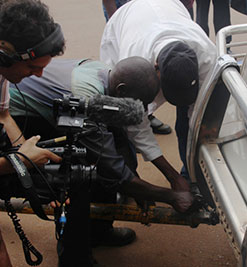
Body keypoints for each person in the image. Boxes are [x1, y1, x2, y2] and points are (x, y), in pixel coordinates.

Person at [9, 56, 193, 266]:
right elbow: (112, 168)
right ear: (121, 91)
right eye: (139, 102)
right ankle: (74, 260)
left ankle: (98, 232)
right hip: (21, 119)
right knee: (77, 175)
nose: (141, 110)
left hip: (58, 109)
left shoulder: (107, 76)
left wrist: (136, 183)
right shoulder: (85, 99)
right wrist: (171, 196)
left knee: (100, 159)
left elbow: (118, 139)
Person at [100, 0, 216, 184]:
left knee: (187, 123)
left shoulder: (207, 56)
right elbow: (136, 127)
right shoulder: (131, 65)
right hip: (127, 21)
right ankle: (130, 181)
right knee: (122, 123)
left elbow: (201, 115)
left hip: (168, 8)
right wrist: (172, 177)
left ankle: (192, 174)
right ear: (156, 69)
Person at [0, 0, 65, 265]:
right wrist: (20, 162)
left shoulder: (4, 69)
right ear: (5, 56)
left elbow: (2, 114)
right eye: (31, 68)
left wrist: (31, 172)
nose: (38, 75)